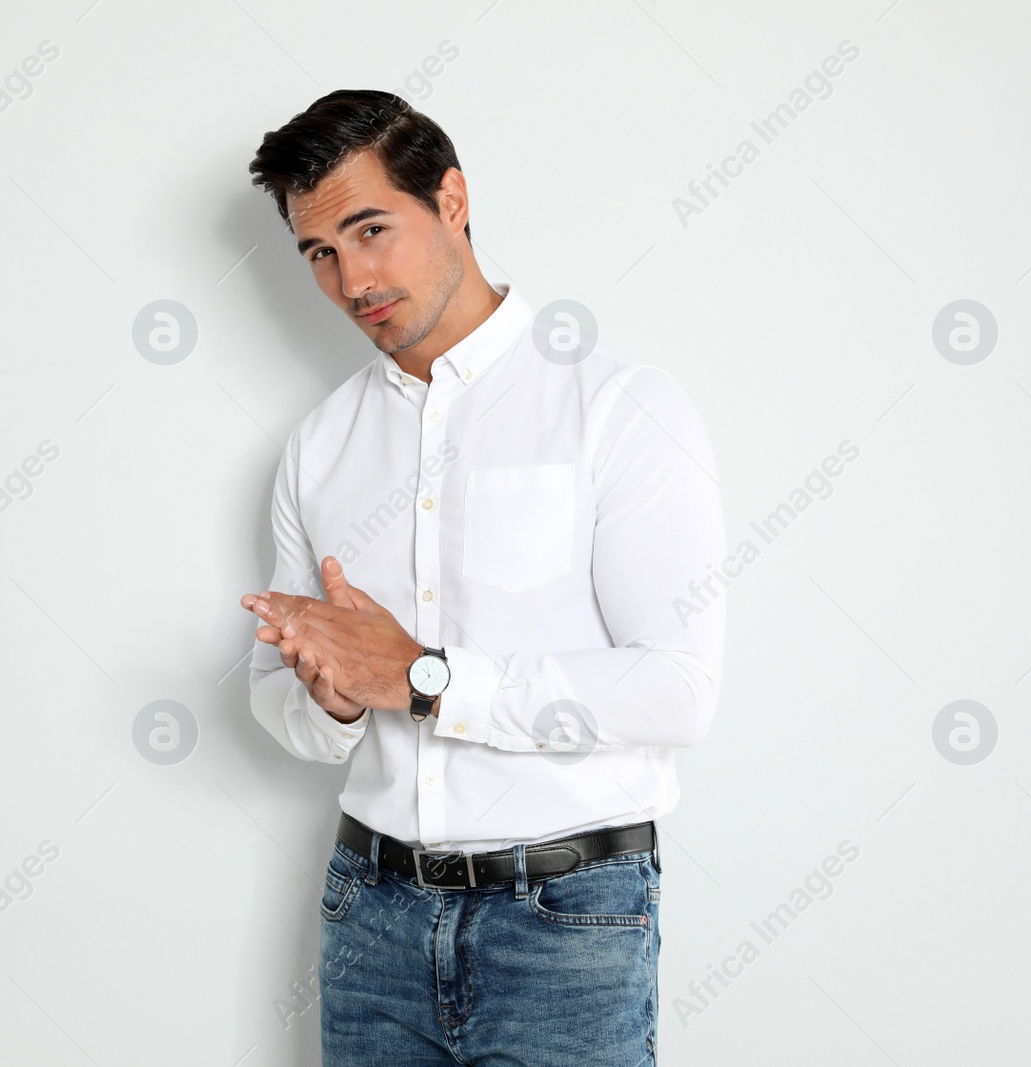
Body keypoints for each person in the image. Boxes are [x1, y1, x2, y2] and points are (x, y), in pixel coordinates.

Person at [240, 89, 726, 1066]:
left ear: (451, 199)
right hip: (368, 914)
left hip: (567, 921)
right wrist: (330, 700)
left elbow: (678, 688)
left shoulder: (617, 406)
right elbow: (276, 706)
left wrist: (422, 676)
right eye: (319, 252)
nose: (350, 277)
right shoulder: (321, 446)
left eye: (371, 228)